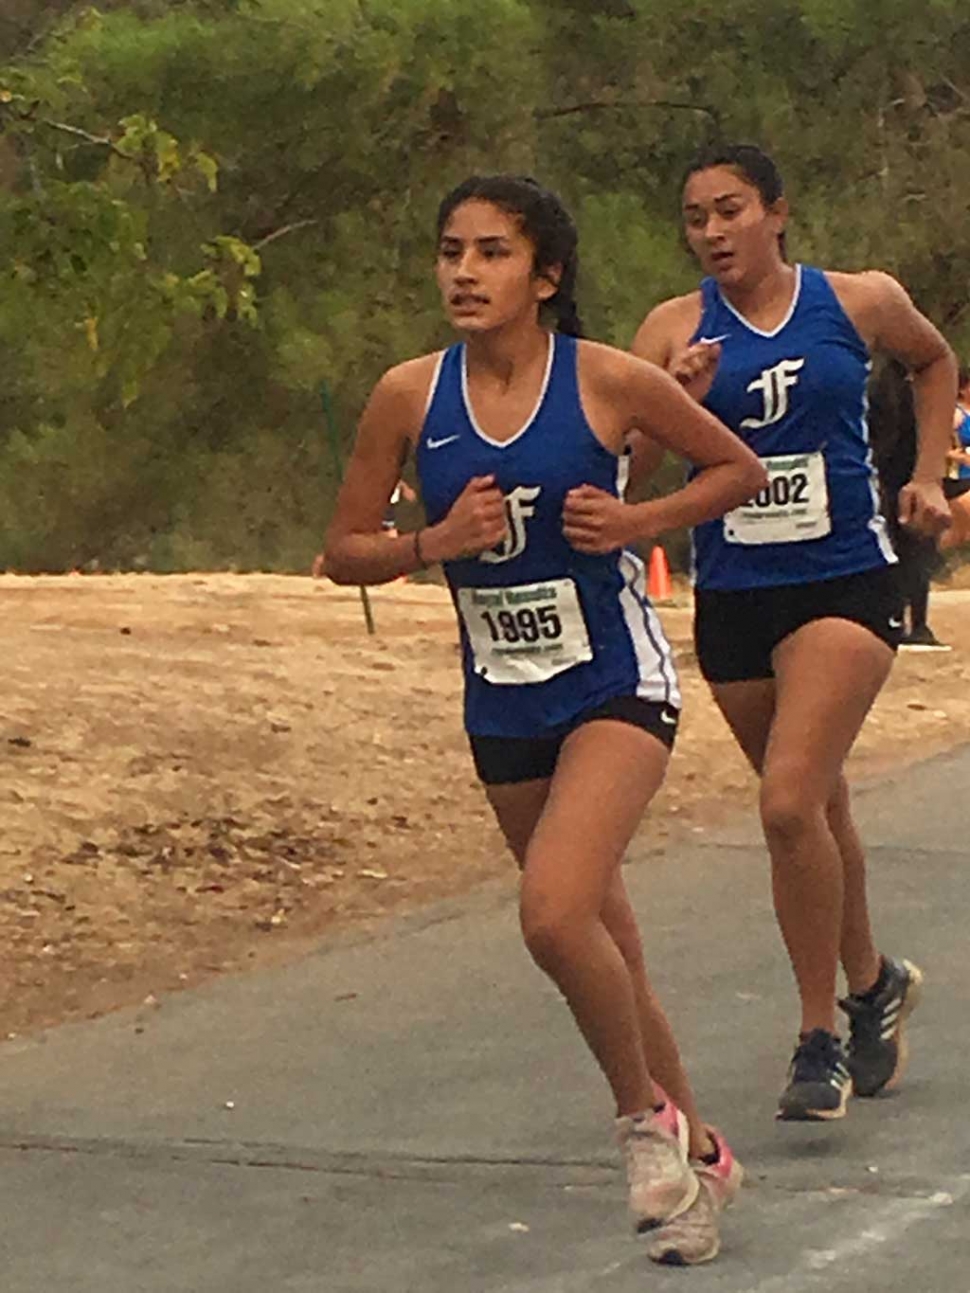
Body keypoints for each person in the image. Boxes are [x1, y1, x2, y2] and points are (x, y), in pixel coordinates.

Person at [324, 174, 765, 1264]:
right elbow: (342, 552)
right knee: (604, 941)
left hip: (615, 682)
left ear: (545, 275)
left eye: (492, 253)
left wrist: (635, 519)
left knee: (553, 914)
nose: (465, 274)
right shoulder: (408, 397)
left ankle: (642, 1124)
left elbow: (736, 468)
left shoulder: (608, 379)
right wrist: (432, 544)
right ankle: (701, 1159)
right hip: (503, 695)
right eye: (450, 251)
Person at [629, 144, 954, 1123]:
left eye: (730, 210)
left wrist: (928, 473)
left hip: (846, 579)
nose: (714, 233)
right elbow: (629, 470)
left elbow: (933, 360)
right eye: (696, 219)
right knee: (816, 808)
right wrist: (673, 399)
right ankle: (872, 985)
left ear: (776, 212)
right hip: (734, 592)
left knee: (782, 806)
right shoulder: (669, 329)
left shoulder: (855, 301)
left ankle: (818, 1037)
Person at [868, 358, 949, 651]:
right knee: (912, 551)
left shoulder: (888, 380)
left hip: (897, 475)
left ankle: (907, 621)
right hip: (902, 475)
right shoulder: (905, 385)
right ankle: (912, 622)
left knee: (904, 550)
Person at [941, 365, 970, 552]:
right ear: (962, 389)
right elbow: (940, 448)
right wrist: (962, 458)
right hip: (959, 476)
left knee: (962, 533)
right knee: (958, 533)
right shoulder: (956, 414)